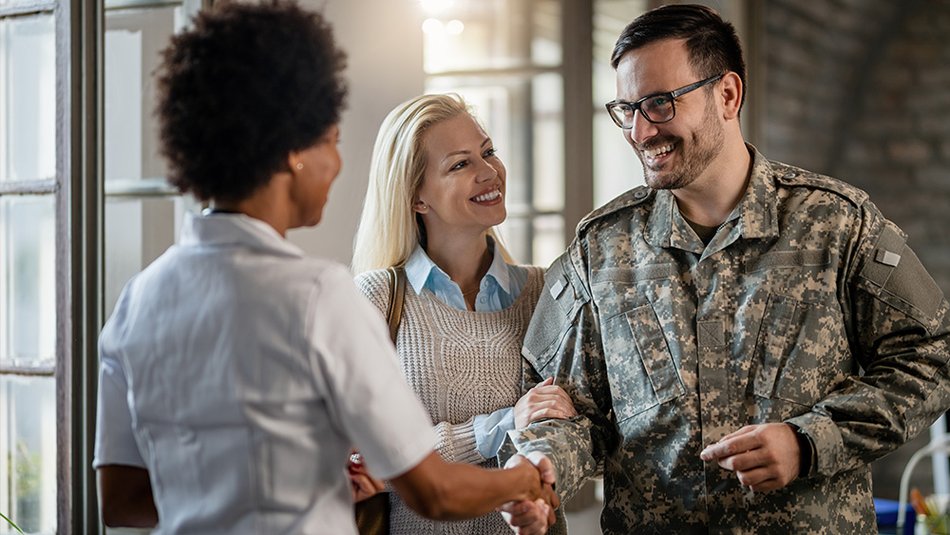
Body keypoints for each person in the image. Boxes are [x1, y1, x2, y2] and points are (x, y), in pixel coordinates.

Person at [91, 3, 556, 533]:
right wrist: (524, 482)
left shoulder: (138, 300)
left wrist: (248, 491)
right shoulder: (318, 295)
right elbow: (432, 491)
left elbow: (122, 500)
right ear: (294, 151)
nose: (336, 164)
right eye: (331, 141)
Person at [502, 4, 950, 534]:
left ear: (728, 95)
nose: (641, 131)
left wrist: (810, 442)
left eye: (660, 103)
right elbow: (571, 409)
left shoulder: (837, 223)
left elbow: (931, 358)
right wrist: (541, 468)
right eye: (627, 109)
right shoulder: (599, 248)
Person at [351, 93, 575, 535]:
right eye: (460, 164)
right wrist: (504, 424)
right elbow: (367, 459)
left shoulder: (545, 291)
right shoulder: (376, 298)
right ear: (417, 197)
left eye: (488, 152)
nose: (489, 172)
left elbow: (571, 433)